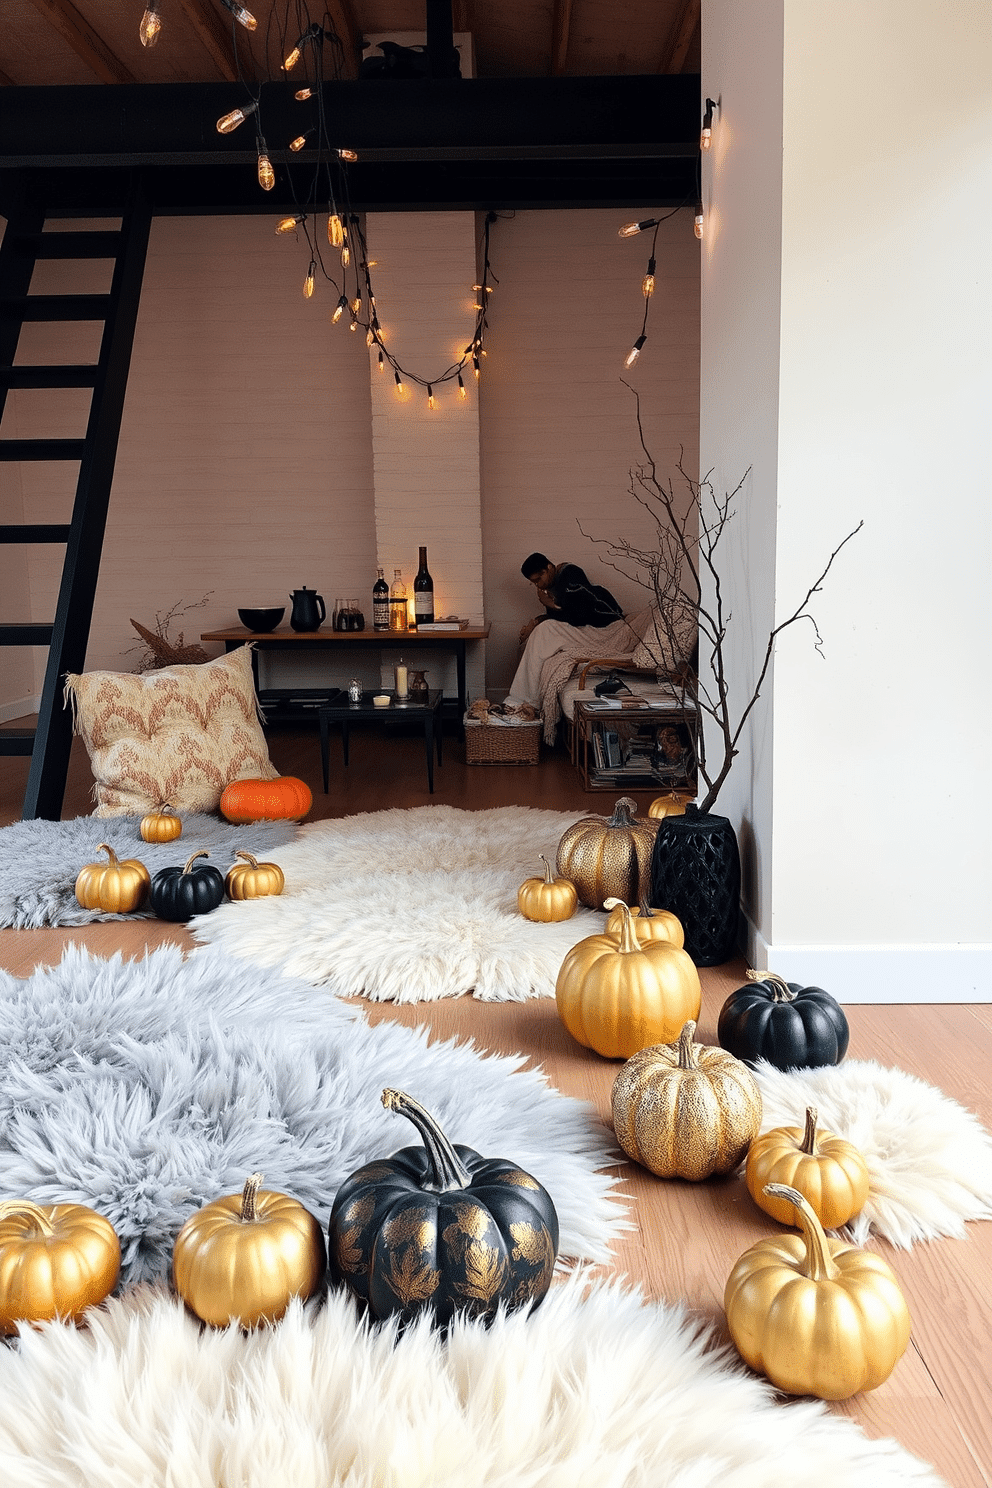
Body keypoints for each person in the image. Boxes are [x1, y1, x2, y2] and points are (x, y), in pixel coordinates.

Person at [507, 553, 628, 707]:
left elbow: (578, 617)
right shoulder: (552, 587)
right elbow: (560, 618)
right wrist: (537, 620)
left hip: (607, 629)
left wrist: (549, 604)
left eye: (539, 579)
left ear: (549, 568)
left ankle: (524, 701)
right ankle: (523, 699)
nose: (538, 585)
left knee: (544, 631)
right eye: (534, 583)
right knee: (540, 633)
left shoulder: (570, 573)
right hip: (588, 627)